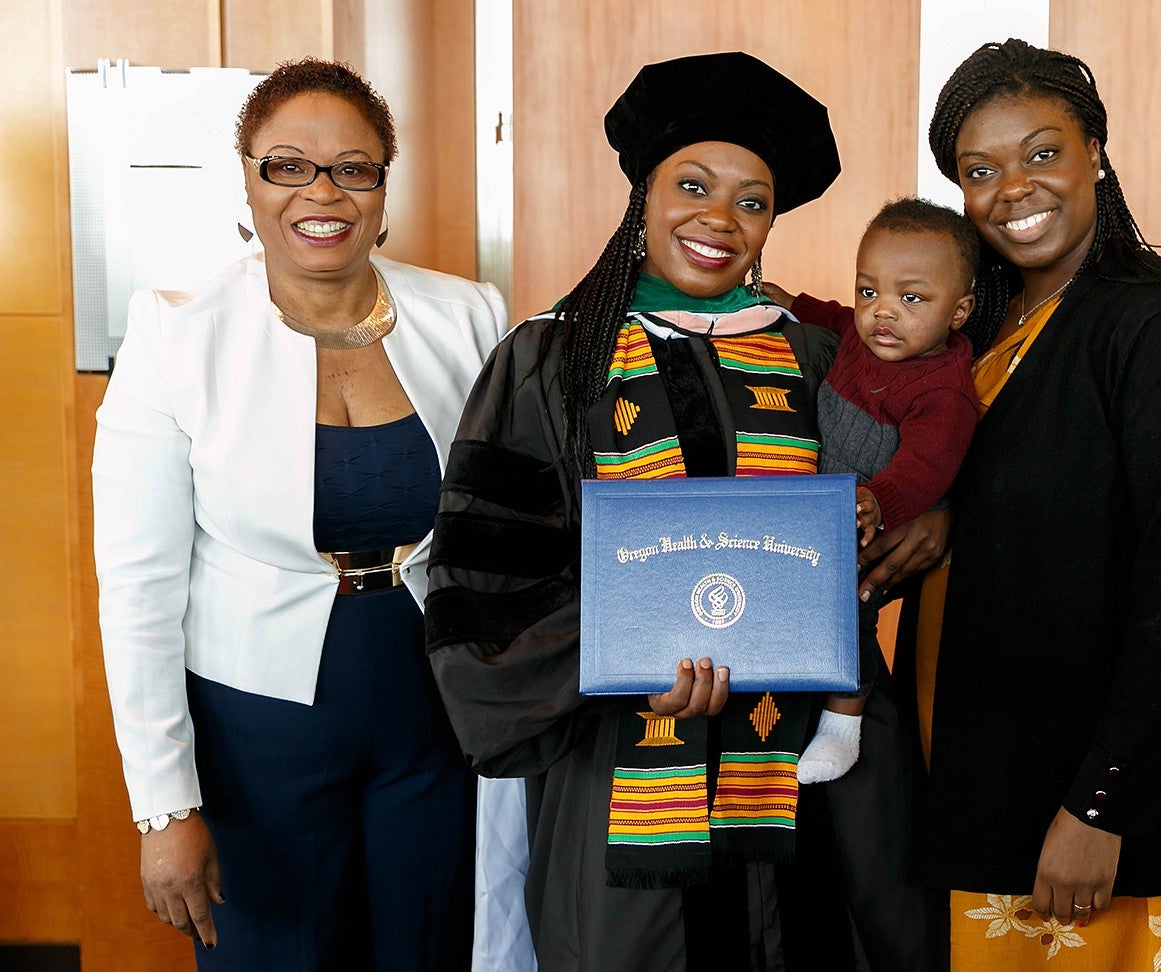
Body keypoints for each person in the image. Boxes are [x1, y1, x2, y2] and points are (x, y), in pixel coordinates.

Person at [424, 52, 872, 970]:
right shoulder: (554, 360)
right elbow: (486, 580)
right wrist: (622, 653)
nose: (720, 219)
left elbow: (871, 539)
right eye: (693, 186)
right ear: (643, 195)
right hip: (616, 769)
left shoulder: (814, 359)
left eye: (752, 201)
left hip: (787, 770)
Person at [92, 58, 508, 969]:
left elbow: (514, 526)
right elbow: (138, 591)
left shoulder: (471, 316)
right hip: (254, 733)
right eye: (288, 165)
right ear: (247, 179)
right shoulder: (176, 332)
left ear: (382, 187)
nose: (322, 192)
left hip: (433, 714)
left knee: (429, 949)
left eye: (354, 168)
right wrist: (164, 807)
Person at [913, 39, 1161, 969]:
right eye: (980, 171)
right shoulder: (984, 322)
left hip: (1093, 797)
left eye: (1042, 153)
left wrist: (1100, 806)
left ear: (1095, 151)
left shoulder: (1159, 327)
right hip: (987, 762)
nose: (1014, 189)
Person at [760, 197, 981, 784]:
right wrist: (791, 304)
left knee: (848, 605)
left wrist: (880, 502)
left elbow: (926, 468)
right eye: (869, 291)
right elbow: (833, 317)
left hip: (880, 520)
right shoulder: (867, 335)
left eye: (912, 299)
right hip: (833, 502)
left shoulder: (942, 390)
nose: (883, 313)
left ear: (958, 312)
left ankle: (844, 723)